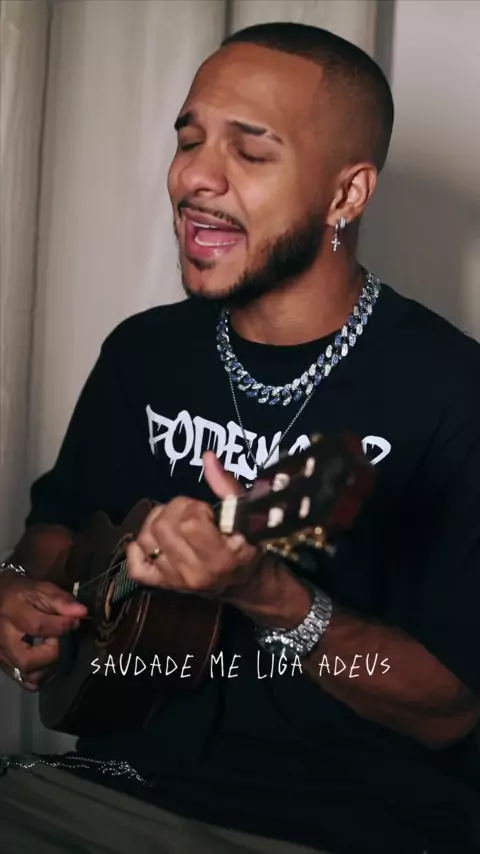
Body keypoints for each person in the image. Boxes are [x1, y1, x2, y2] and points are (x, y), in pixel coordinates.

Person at [0, 21, 479, 854]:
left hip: (343, 827)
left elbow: (450, 711)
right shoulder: (143, 352)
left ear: (346, 195)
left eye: (251, 152)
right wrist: (16, 592)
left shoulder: (451, 393)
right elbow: (55, 527)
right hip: (110, 785)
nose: (195, 176)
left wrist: (269, 593)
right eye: (189, 141)